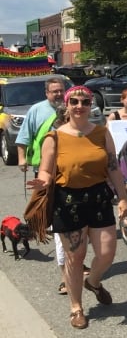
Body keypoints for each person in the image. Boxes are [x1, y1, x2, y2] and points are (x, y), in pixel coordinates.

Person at [26, 86, 127, 329]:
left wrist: (123, 197)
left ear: (90, 104)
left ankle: (93, 281)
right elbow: (46, 167)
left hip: (98, 198)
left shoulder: (102, 133)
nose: (79, 105)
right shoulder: (54, 137)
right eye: (74, 101)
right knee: (76, 256)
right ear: (67, 104)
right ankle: (76, 308)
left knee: (106, 253)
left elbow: (113, 167)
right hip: (67, 201)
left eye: (84, 101)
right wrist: (43, 180)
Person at [15, 77, 81, 295]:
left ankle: (75, 262)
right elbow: (23, 137)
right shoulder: (36, 110)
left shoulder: (75, 109)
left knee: (75, 224)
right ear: (46, 93)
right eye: (54, 91)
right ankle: (66, 273)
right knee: (56, 220)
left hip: (72, 175)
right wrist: (22, 158)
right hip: (44, 172)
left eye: (61, 90)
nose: (58, 94)